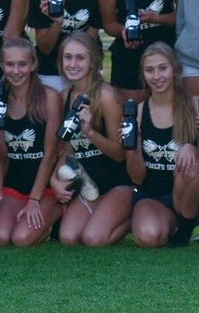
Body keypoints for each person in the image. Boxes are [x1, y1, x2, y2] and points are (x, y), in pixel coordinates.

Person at [126, 42, 199, 248]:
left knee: (192, 167)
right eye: (150, 70)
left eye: (162, 68)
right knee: (150, 237)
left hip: (193, 196)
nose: (157, 77)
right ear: (143, 75)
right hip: (153, 196)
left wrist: (194, 147)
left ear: (175, 70)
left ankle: (184, 231)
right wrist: (134, 146)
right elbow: (137, 177)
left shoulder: (195, 106)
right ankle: (165, 224)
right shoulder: (136, 113)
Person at [49, 32, 133, 246]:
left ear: (93, 62)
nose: (73, 64)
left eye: (80, 58)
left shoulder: (107, 96)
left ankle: (134, 217)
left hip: (117, 184)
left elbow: (120, 154)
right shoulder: (65, 96)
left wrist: (90, 132)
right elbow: (68, 148)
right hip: (90, 186)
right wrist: (54, 180)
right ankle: (101, 213)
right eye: (68, 57)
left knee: (94, 239)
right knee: (68, 238)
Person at [0, 38, 63, 246]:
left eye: (22, 64)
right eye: (10, 64)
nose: (16, 70)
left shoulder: (49, 97)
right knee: (0, 238)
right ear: (2, 65)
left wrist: (34, 200)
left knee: (21, 239)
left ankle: (59, 209)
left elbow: (51, 153)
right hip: (15, 185)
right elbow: (2, 159)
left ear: (33, 65)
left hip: (45, 187)